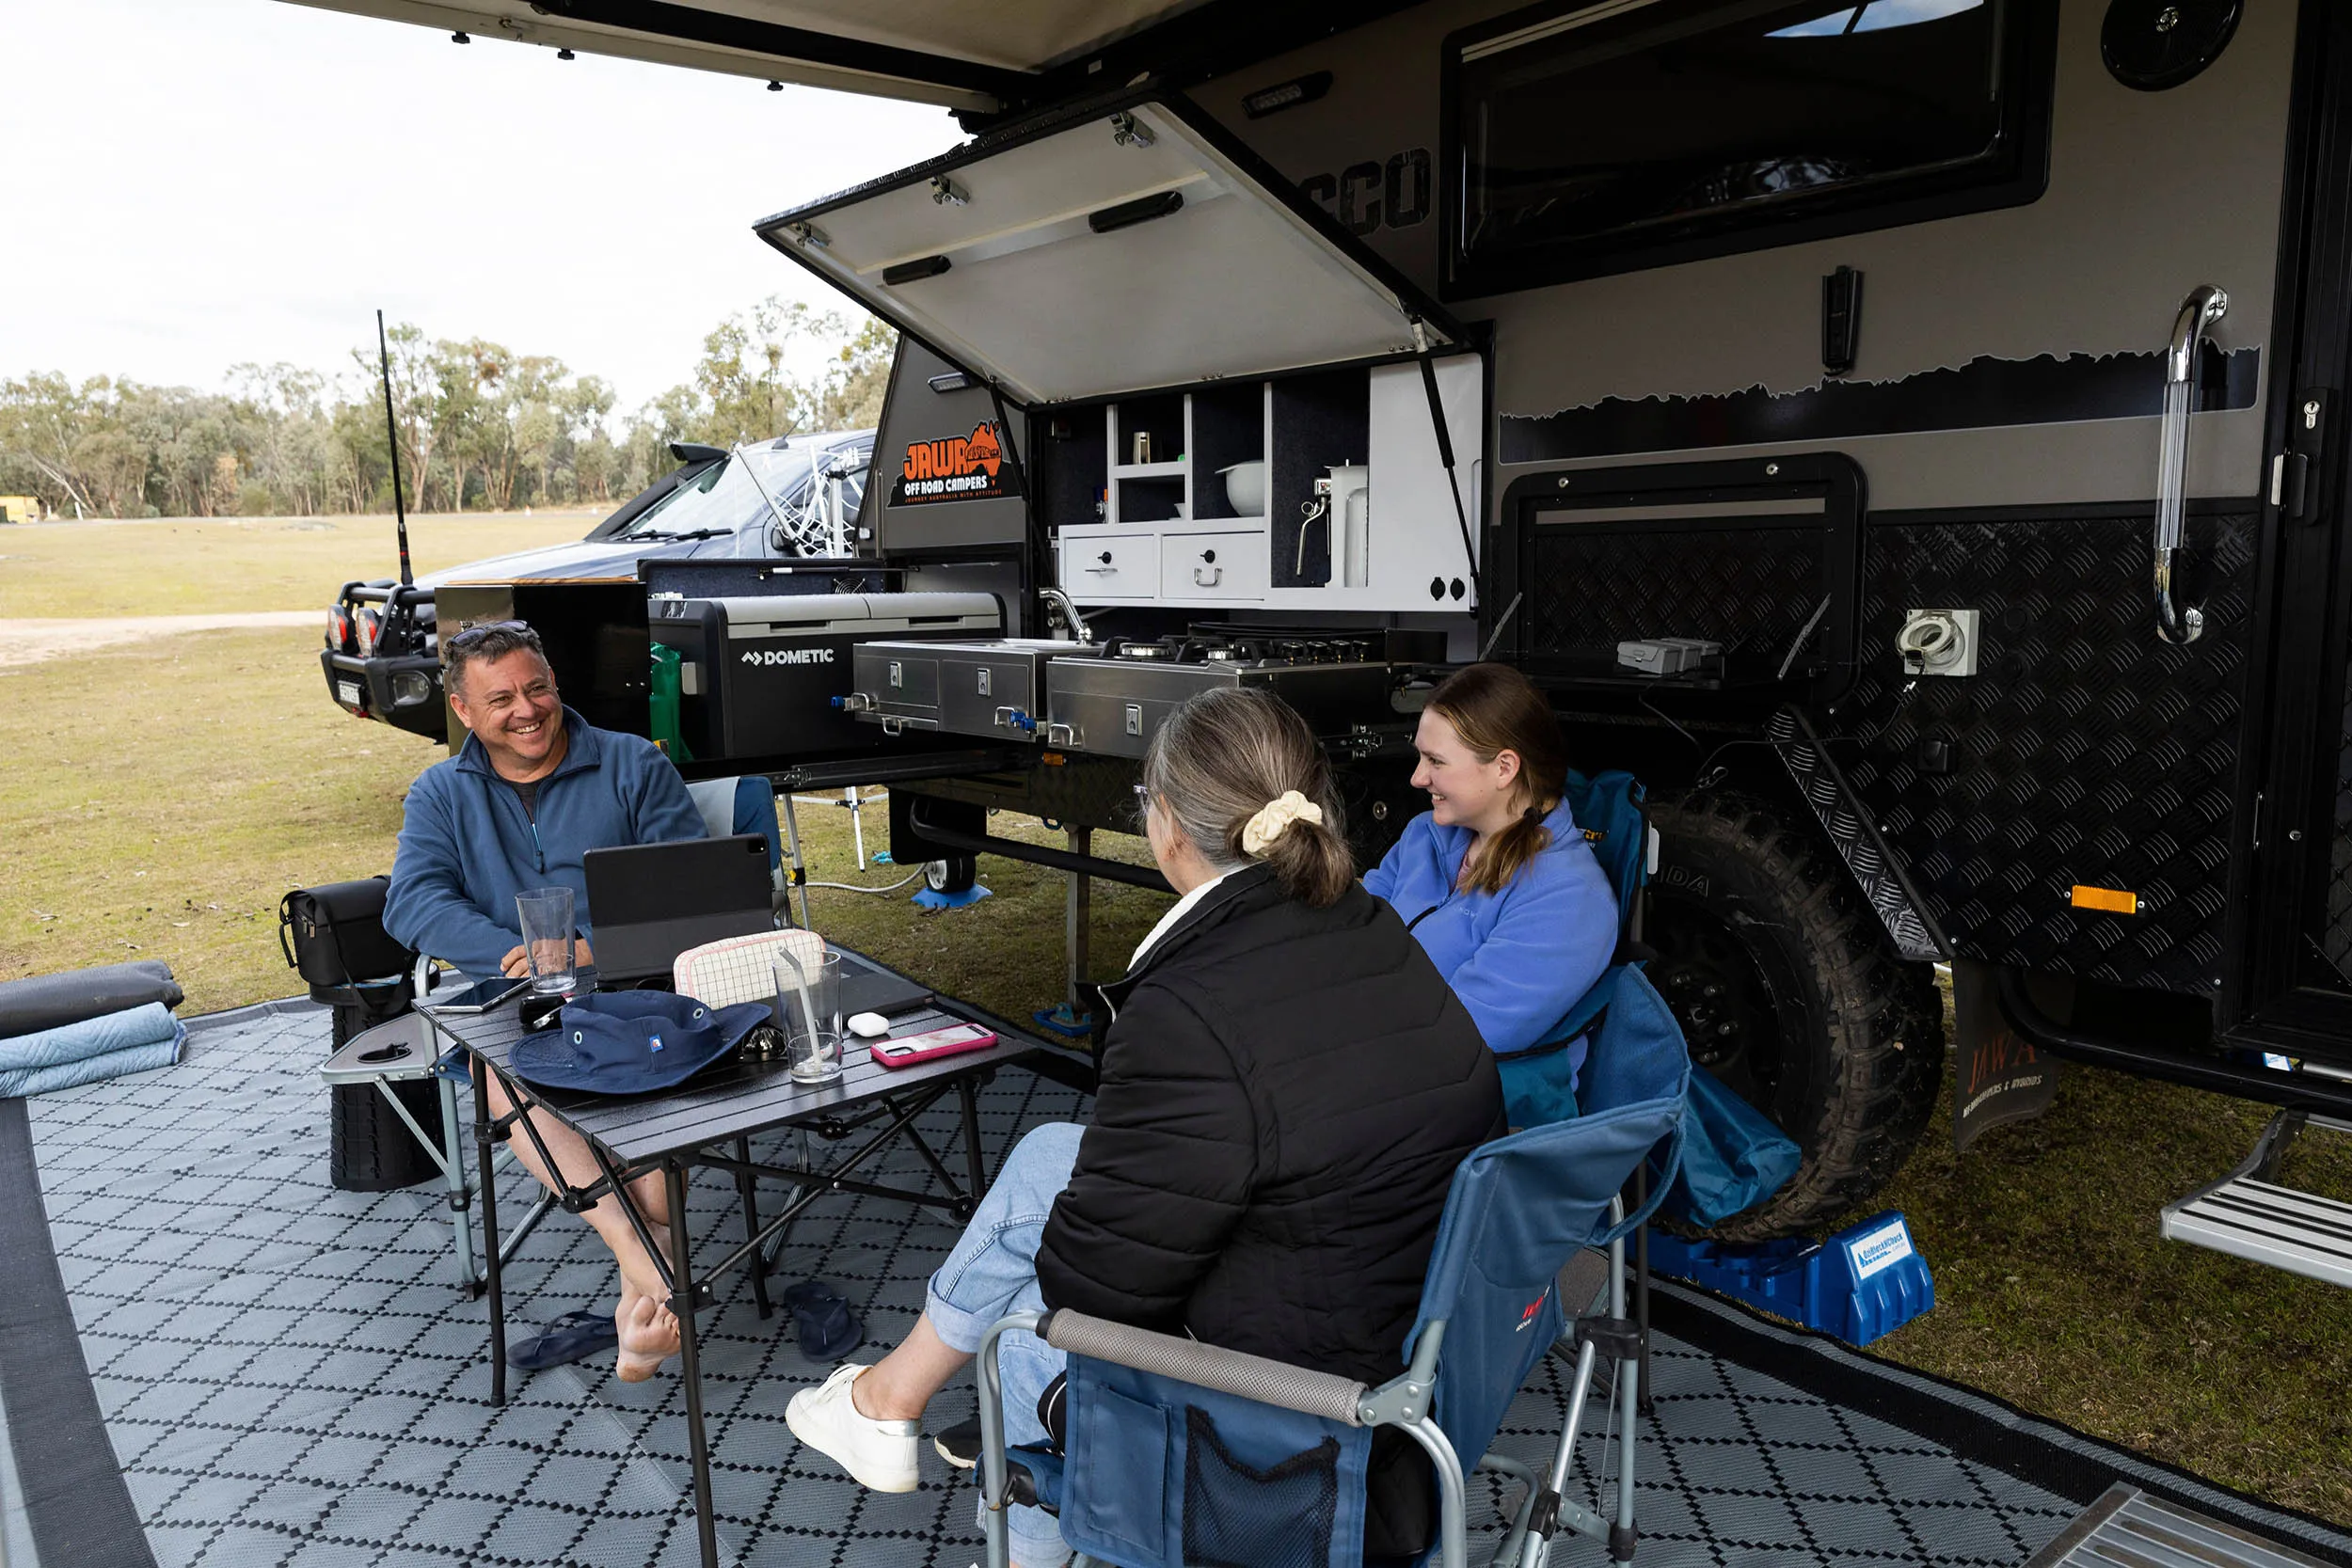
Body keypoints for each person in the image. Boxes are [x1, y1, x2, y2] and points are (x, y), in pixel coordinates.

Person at [782, 688, 1504, 1567]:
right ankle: (887, 1403)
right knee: (1053, 1152)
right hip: (1407, 1349)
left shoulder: (1189, 1006)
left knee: (1020, 1329)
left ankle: (915, 1433)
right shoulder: (1371, 928)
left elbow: (1095, 1292)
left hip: (1293, 1423)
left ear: (1166, 824)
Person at [384, 619, 707, 1380]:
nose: (526, 708)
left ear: (556, 683)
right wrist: (514, 950)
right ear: (463, 710)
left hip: (639, 995)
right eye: (501, 698)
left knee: (655, 1183)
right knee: (506, 1071)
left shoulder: (632, 763)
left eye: (537, 687)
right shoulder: (439, 792)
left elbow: (691, 884)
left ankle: (640, 1300)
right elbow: (412, 901)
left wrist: (590, 944)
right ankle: (650, 1266)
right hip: (516, 1004)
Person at [1364, 662, 1618, 1123]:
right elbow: (1346, 927)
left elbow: (1459, 1037)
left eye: (1436, 761)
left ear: (1504, 768)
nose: (1417, 778)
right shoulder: (1426, 836)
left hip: (1448, 1110)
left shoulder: (1568, 899)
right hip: (1365, 1060)